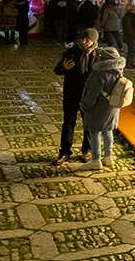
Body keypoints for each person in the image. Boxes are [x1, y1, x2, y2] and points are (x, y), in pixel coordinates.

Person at [52, 28, 97, 165]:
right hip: (71, 93)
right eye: (82, 39)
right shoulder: (71, 52)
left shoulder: (99, 55)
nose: (84, 42)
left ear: (94, 41)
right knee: (68, 123)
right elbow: (57, 70)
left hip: (88, 95)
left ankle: (87, 150)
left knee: (88, 124)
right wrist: (64, 67)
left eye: (87, 40)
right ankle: (65, 151)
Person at [77, 45, 126, 171]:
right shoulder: (119, 70)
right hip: (112, 107)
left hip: (99, 108)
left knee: (95, 132)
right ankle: (108, 157)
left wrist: (85, 105)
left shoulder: (100, 73)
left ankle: (96, 160)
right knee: (108, 131)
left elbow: (92, 93)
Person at [122, 3, 135, 69]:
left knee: (134, 50)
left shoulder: (132, 16)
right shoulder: (129, 17)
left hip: (134, 36)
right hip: (131, 37)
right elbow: (128, 28)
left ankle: (131, 62)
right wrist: (133, 35)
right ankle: (128, 63)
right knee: (131, 50)